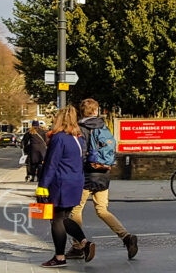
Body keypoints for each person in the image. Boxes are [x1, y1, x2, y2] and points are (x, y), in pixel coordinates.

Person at [67, 99, 138, 260]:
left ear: (82, 111)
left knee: (76, 210)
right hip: (104, 174)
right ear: (95, 111)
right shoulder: (103, 126)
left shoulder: (81, 128)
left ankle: (78, 246)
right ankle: (126, 237)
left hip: (87, 174)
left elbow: (80, 153)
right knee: (102, 210)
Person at [37, 106, 95, 267]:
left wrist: (42, 186)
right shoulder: (78, 138)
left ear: (59, 119)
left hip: (60, 183)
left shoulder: (59, 138)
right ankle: (84, 242)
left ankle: (60, 257)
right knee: (64, 218)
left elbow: (51, 164)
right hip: (76, 182)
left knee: (56, 220)